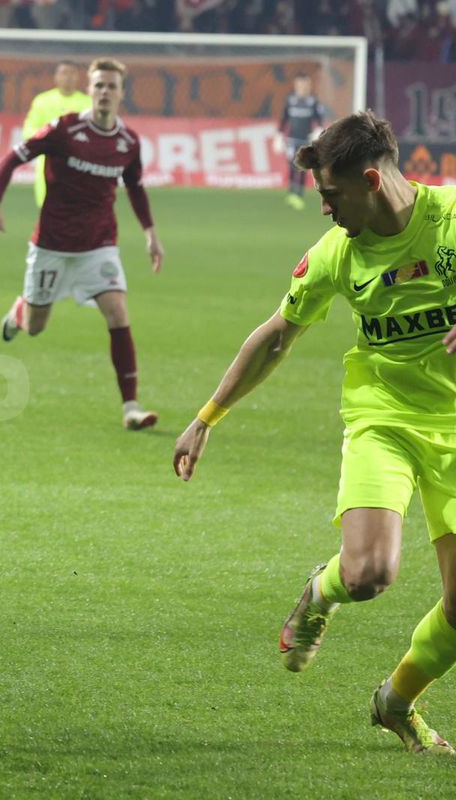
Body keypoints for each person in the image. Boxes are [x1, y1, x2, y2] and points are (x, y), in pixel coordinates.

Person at [173, 111, 456, 755]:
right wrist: (206, 417)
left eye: (331, 195)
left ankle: (395, 702)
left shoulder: (450, 218)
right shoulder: (336, 254)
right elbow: (277, 336)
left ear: (370, 181)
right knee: (370, 574)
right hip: (384, 419)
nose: (324, 209)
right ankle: (319, 592)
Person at [0, 58, 164, 431]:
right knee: (36, 326)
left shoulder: (128, 142)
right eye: (99, 85)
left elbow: (135, 187)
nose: (104, 92)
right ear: (90, 89)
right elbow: (11, 159)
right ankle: (19, 312)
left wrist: (150, 233)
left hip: (99, 245)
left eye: (112, 86)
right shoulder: (64, 129)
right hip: (52, 245)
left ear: (122, 93)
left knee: (118, 312)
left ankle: (131, 406)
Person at [22, 61, 91, 208]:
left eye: (72, 73)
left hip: (77, 164)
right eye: (64, 73)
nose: (68, 77)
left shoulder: (87, 104)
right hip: (48, 162)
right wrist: (48, 142)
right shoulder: (42, 101)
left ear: (78, 77)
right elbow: (29, 129)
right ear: (56, 77)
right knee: (47, 208)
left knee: (76, 209)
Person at [280, 73, 326, 210]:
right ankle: (291, 193)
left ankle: (299, 194)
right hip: (292, 139)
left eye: (305, 84)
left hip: (305, 139)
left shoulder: (313, 102)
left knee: (302, 166)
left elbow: (319, 120)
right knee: (291, 164)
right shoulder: (290, 100)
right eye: (300, 84)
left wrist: (318, 131)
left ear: (309, 86)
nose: (302, 87)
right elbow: (284, 118)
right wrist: (279, 134)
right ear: (296, 85)